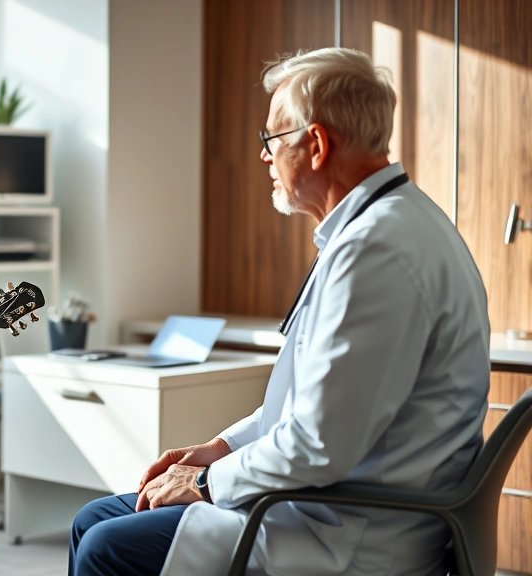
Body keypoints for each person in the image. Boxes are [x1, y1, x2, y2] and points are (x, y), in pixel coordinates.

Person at [69, 47, 490, 576]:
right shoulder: (382, 229)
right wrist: (218, 448)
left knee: (106, 547)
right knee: (93, 519)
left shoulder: (376, 251)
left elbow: (317, 444)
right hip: (325, 503)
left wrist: (203, 483)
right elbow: (306, 406)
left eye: (271, 139)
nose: (264, 156)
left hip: (346, 532)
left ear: (315, 145)